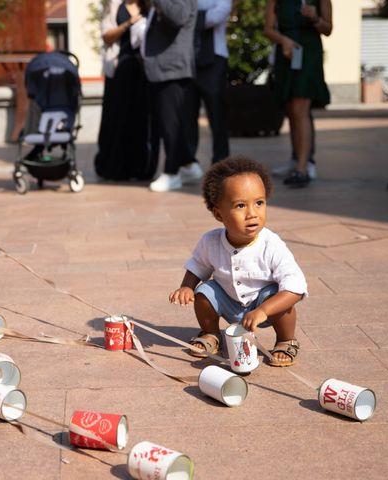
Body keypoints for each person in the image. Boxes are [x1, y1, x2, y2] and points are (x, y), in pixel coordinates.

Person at [168, 156, 308, 367]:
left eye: (259, 203)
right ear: (218, 214)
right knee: (204, 292)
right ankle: (211, 334)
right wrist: (186, 287)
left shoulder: (272, 244)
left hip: (265, 306)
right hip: (229, 302)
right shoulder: (210, 241)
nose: (252, 213)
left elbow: (296, 287)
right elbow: (198, 265)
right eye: (240, 205)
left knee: (280, 298)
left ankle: (286, 340)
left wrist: (263, 310)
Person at [264, 0, 332, 188]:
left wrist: (315, 18)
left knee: (300, 108)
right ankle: (297, 159)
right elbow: (268, 29)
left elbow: (328, 29)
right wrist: (283, 40)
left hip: (309, 54)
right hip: (286, 54)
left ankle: (303, 166)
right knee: (291, 109)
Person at [94, 0, 157, 181]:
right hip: (118, 70)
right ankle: (113, 167)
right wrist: (128, 23)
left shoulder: (150, 5)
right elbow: (106, 36)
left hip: (143, 71)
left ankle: (140, 167)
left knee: (140, 120)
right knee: (116, 119)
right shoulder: (115, 5)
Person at [142, 0, 200, 192]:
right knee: (171, 122)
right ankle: (189, 165)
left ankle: (172, 172)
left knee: (170, 125)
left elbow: (178, 17)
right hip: (163, 69)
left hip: (173, 68)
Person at [185, 0, 231, 167]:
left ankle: (221, 158)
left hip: (214, 59)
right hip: (189, 58)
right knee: (188, 112)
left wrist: (191, 17)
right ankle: (188, 160)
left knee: (217, 112)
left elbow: (219, 13)